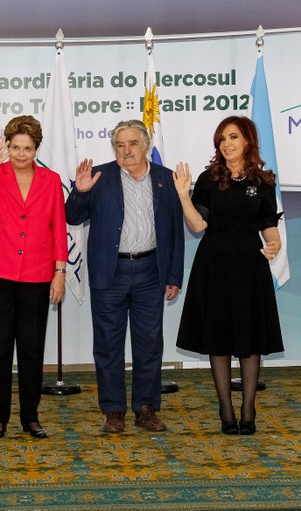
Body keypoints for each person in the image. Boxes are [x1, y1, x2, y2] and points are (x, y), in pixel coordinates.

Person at [66, 119, 185, 434]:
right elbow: (72, 217)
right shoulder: (99, 178)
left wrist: (174, 274)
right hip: (110, 273)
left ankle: (146, 409)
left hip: (150, 272)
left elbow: (174, 230)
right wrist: (79, 192)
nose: (126, 150)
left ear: (145, 146)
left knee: (149, 343)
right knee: (107, 344)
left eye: (132, 143)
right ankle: (113, 411)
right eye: (120, 145)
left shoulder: (166, 178)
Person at [173, 115, 284, 436]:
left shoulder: (263, 181)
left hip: (250, 267)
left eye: (233, 137)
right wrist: (183, 194)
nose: (227, 143)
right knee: (218, 339)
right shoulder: (209, 179)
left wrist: (274, 244)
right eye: (222, 139)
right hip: (214, 266)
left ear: (247, 141)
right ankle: (225, 409)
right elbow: (198, 225)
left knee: (250, 341)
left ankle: (248, 409)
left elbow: (268, 225)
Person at [0, 115, 67, 440]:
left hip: (37, 274)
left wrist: (60, 272)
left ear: (36, 148)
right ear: (7, 147)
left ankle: (31, 417)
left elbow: (59, 229)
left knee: (32, 348)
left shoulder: (51, 180)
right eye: (15, 147)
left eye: (28, 148)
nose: (21, 154)